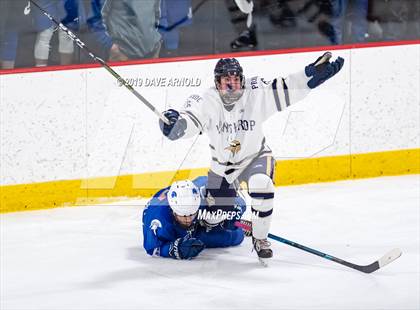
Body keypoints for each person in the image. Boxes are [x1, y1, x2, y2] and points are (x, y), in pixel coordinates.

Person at [158, 53, 344, 262]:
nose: (232, 85)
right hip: (223, 168)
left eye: (236, 79)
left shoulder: (255, 93)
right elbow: (190, 121)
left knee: (262, 184)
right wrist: (176, 126)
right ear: (217, 82)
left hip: (255, 157)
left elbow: (285, 88)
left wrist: (309, 76)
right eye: (226, 80)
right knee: (213, 219)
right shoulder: (206, 101)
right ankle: (215, 218)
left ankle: (260, 238)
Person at [142, 176, 246, 259]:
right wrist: (174, 249)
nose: (188, 220)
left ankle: (237, 223)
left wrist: (232, 211)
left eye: (191, 214)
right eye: (183, 216)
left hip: (201, 213)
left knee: (232, 229)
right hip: (175, 227)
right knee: (234, 237)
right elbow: (152, 248)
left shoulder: (202, 194)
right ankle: (237, 224)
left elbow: (239, 202)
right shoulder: (158, 220)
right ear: (173, 211)